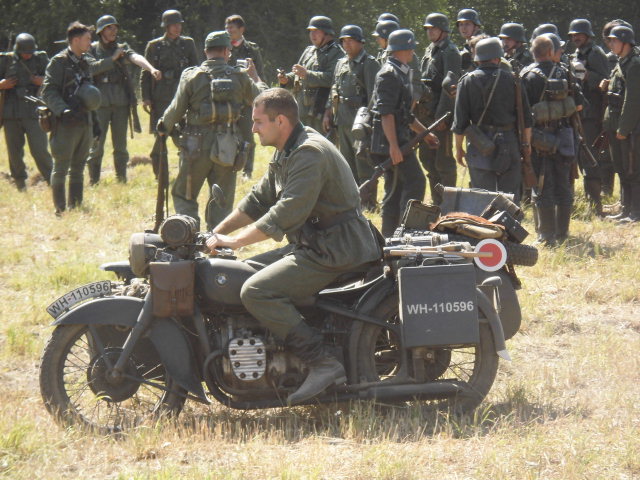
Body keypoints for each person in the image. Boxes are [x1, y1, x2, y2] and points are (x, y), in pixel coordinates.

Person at [205, 88, 381, 405]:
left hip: (337, 249)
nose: (253, 128)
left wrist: (237, 241)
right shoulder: (288, 149)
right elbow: (259, 200)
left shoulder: (309, 152)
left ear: (281, 121)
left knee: (256, 291)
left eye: (258, 122)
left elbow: (288, 211)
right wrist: (214, 233)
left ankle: (322, 362)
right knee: (240, 272)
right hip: (316, 244)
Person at [158, 31, 266, 230]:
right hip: (227, 145)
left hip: (194, 145)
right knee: (221, 199)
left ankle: (188, 236)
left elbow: (176, 109)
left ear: (206, 51)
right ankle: (217, 240)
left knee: (185, 195)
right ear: (226, 51)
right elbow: (264, 100)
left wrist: (163, 127)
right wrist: (256, 77)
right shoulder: (239, 77)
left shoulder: (191, 76)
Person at [370, 29, 439, 236]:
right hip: (390, 143)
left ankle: (391, 237)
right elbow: (386, 114)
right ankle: (404, 233)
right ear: (403, 49)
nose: (413, 52)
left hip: (397, 140)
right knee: (415, 182)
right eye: (410, 48)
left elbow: (405, 115)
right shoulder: (389, 74)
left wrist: (425, 134)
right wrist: (393, 146)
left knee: (396, 189)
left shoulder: (400, 72)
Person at [452, 37, 532, 204]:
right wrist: (526, 144)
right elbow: (525, 119)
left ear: (478, 59)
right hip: (509, 142)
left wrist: (459, 149)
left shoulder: (467, 81)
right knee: (509, 201)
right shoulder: (513, 80)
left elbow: (460, 123)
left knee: (482, 201)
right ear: (497, 58)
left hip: (479, 144)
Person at [522, 35, 585, 244]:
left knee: (542, 185)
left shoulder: (527, 76)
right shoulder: (564, 72)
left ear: (533, 52)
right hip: (565, 136)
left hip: (538, 138)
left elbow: (522, 113)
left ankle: (546, 235)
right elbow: (579, 105)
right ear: (550, 52)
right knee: (563, 185)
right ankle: (562, 234)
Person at [87, 15, 161, 184]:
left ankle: (121, 179)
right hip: (99, 103)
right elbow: (91, 68)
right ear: (101, 31)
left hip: (120, 102)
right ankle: (94, 180)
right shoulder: (92, 49)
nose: (113, 31)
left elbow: (135, 57)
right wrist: (112, 59)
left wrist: (151, 68)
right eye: (109, 28)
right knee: (96, 144)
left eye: (115, 28)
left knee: (120, 146)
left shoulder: (122, 48)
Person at [42, 22, 102, 214]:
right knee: (61, 166)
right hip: (65, 123)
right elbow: (48, 92)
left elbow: (89, 93)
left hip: (85, 121)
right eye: (87, 39)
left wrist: (96, 122)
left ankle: (75, 207)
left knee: (78, 166)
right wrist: (63, 110)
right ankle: (60, 209)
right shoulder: (58, 62)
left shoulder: (86, 61)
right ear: (76, 40)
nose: (90, 43)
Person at [141, 9, 199, 178]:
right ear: (166, 26)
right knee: (161, 136)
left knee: (185, 135)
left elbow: (196, 69)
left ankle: (187, 171)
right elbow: (146, 73)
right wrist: (146, 97)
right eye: (174, 25)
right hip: (161, 97)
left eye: (179, 24)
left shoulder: (188, 44)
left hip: (183, 96)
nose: (177, 28)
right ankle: (161, 175)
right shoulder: (154, 46)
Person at [323, 25, 379, 195]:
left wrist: (369, 123)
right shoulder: (341, 63)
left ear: (360, 42)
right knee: (346, 164)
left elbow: (374, 96)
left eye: (351, 41)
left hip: (360, 123)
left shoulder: (369, 64)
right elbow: (334, 89)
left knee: (363, 163)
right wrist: (328, 113)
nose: (347, 45)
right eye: (344, 41)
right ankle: (353, 199)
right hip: (342, 120)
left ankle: (368, 200)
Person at [568, 18, 611, 216]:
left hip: (592, 114)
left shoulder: (596, 53)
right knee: (580, 157)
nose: (575, 38)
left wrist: (587, 76)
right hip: (579, 113)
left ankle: (595, 205)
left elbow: (606, 81)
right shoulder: (576, 54)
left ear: (587, 35)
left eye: (579, 34)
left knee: (590, 157)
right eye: (573, 35)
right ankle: (588, 201)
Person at [417, 13, 461, 204]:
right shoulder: (430, 50)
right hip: (425, 114)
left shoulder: (450, 52)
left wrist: (443, 117)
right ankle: (437, 202)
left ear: (443, 30)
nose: (430, 32)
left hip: (440, 115)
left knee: (444, 163)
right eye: (428, 29)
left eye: (433, 28)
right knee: (427, 159)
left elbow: (450, 86)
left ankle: (449, 204)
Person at [0, 33, 52, 190]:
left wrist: (43, 81)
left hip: (34, 111)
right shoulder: (5, 60)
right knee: (14, 152)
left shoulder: (41, 59)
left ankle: (52, 180)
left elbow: (55, 78)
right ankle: (20, 183)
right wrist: (2, 84)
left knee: (39, 149)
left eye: (30, 52)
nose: (28, 55)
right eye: (25, 52)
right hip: (11, 112)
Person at [601, 25, 640, 223]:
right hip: (616, 124)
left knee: (633, 170)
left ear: (626, 43)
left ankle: (636, 212)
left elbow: (633, 100)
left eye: (614, 40)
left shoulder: (634, 65)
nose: (611, 43)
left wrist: (624, 129)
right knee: (622, 168)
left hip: (629, 127)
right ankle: (626, 209)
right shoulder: (621, 62)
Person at [277, 16, 344, 132]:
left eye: (316, 31)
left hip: (321, 112)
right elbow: (298, 74)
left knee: (321, 142)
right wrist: (286, 79)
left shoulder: (337, 53)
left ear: (327, 33)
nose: (312, 35)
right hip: (302, 110)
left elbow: (333, 79)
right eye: (311, 31)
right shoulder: (309, 51)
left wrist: (307, 74)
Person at [225, 14, 265, 181]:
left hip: (246, 99)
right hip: (228, 98)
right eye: (227, 28)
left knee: (248, 137)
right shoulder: (224, 47)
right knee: (228, 134)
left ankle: (247, 170)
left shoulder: (251, 50)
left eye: (232, 28)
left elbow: (259, 74)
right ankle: (229, 165)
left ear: (241, 29)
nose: (228, 31)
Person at [372, 20, 424, 104]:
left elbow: (415, 83)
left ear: (387, 38)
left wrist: (411, 107)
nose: (377, 40)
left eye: (379, 37)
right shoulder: (384, 54)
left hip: (404, 102)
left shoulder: (407, 55)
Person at [456, 8, 483, 72]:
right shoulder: (467, 45)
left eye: (467, 24)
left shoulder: (483, 44)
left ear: (476, 27)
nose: (463, 28)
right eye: (461, 24)